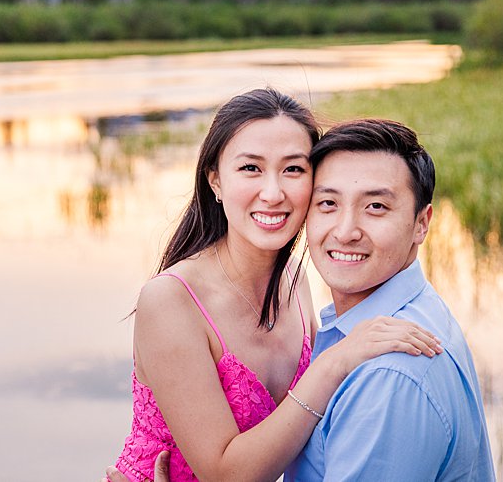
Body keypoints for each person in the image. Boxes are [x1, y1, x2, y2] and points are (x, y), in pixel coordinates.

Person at [108, 90, 446, 482]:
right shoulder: (170, 301)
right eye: (251, 168)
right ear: (216, 180)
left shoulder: (294, 280)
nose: (273, 193)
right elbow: (226, 475)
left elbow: (306, 431)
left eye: (293, 169)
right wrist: (334, 362)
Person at [283, 118, 494, 481]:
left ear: (421, 223)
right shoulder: (415, 310)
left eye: (376, 207)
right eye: (328, 203)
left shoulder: (388, 375)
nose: (345, 231)